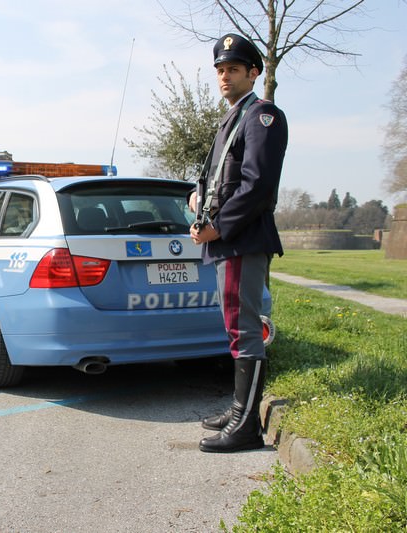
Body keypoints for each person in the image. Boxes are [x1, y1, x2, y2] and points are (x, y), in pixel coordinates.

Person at [189, 34, 288, 453]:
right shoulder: (233, 119)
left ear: (254, 72)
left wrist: (219, 228)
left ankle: (246, 427)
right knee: (235, 327)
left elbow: (258, 185)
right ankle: (238, 409)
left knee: (244, 329)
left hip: (241, 241)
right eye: (219, 70)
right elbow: (211, 176)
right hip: (226, 242)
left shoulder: (262, 115)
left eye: (232, 69)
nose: (224, 76)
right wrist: (194, 200)